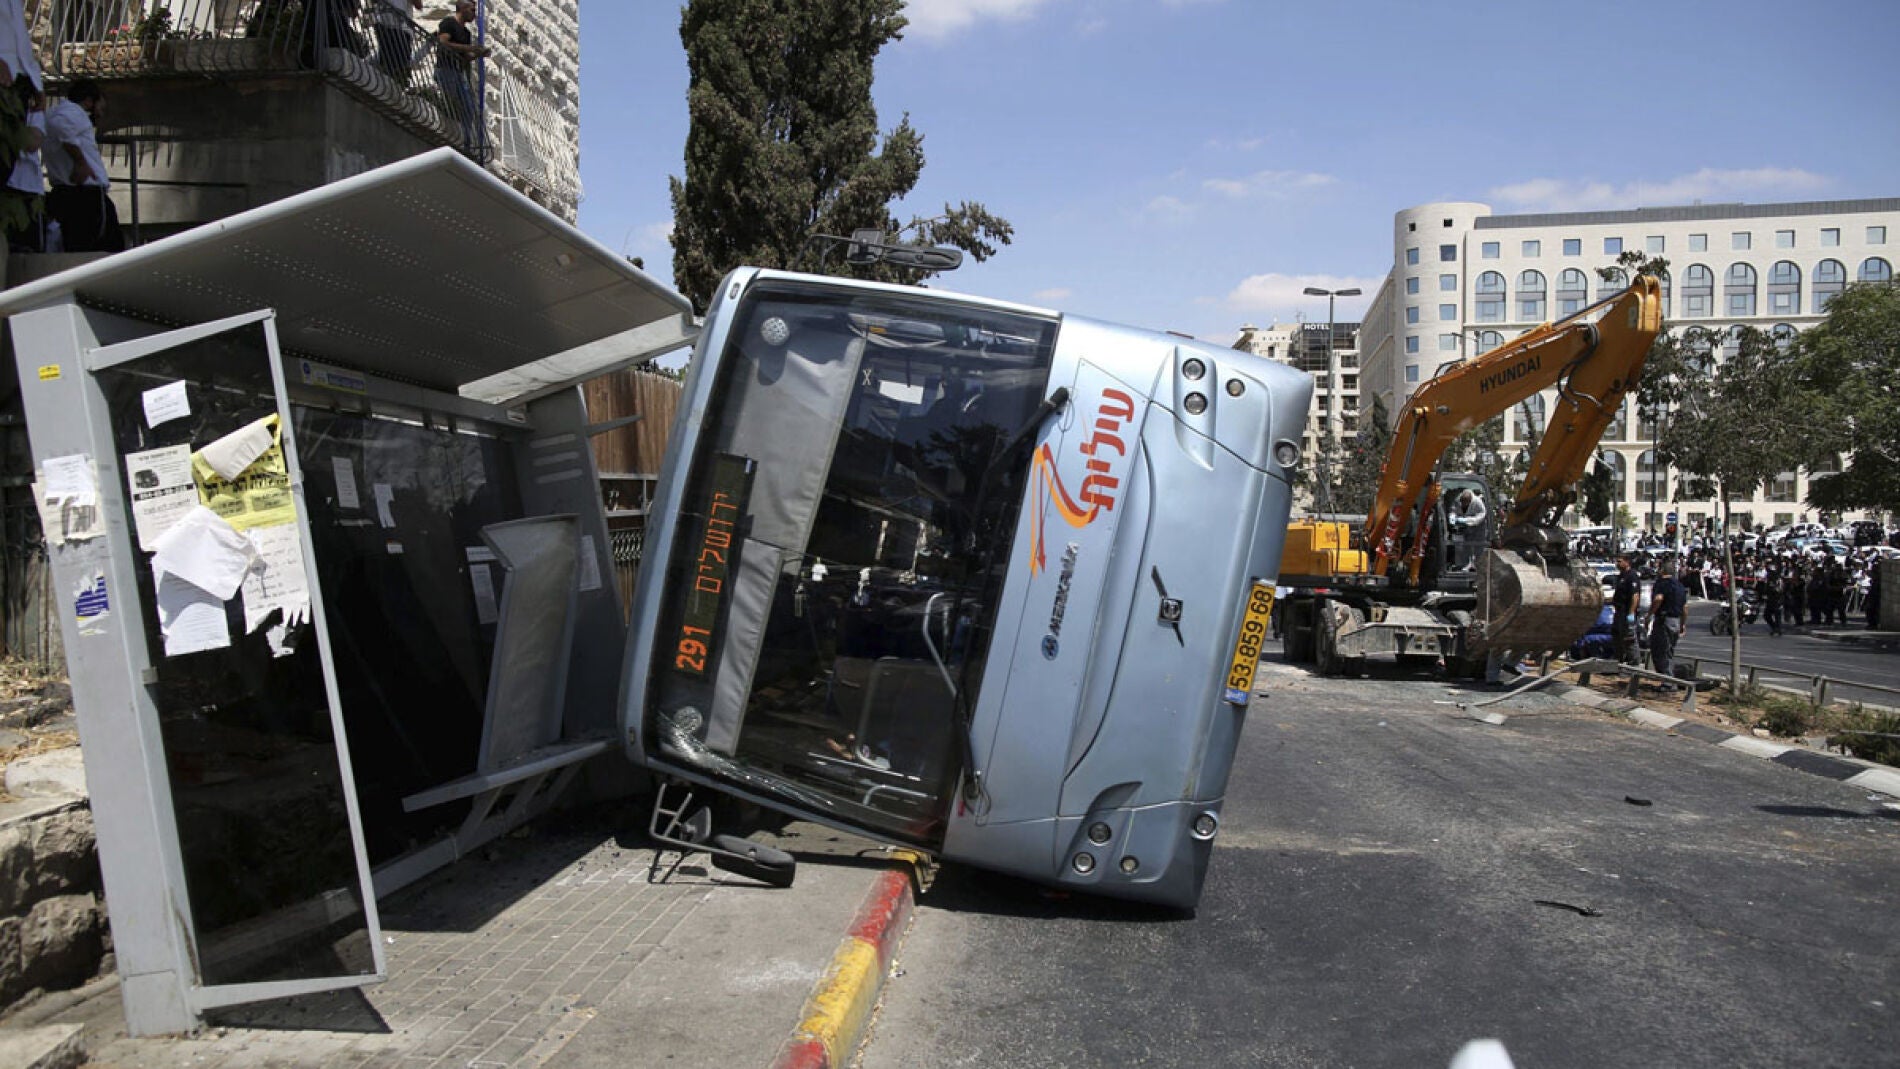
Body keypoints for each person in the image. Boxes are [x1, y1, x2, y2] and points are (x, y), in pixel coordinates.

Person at [44, 79, 122, 253]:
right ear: (88, 101)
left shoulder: (58, 112)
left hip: (71, 193)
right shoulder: (73, 112)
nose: (100, 114)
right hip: (84, 196)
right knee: (97, 250)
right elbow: (60, 126)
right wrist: (80, 162)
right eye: (100, 108)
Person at [435, 0, 490, 150]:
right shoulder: (448, 23)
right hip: (445, 69)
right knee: (451, 102)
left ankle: (465, 142)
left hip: (458, 73)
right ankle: (449, 137)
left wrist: (478, 54)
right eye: (472, 10)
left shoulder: (466, 33)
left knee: (469, 107)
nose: (475, 14)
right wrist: (470, 48)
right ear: (463, 8)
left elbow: (464, 58)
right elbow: (443, 42)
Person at [2, 73, 46, 252]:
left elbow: (32, 143)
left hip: (26, 190)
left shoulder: (32, 112)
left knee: (29, 251)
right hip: (6, 188)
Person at [1649, 564, 1687, 686]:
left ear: (1662, 571)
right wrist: (1682, 624)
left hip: (1664, 621)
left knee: (1660, 651)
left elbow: (1658, 599)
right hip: (1675, 621)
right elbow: (1685, 608)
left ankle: (1668, 683)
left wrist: (1649, 614)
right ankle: (1669, 680)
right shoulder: (1680, 586)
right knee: (1669, 651)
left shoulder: (1662, 583)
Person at [373, 0, 424, 82]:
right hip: (392, 27)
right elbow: (418, 5)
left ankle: (395, 79)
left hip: (391, 26)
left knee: (393, 63)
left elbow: (418, 5)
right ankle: (396, 79)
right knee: (395, 64)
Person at [1610, 553, 1642, 667]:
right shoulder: (1621, 576)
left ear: (1627, 562)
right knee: (1617, 637)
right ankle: (1618, 663)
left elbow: (1635, 596)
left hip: (1627, 613)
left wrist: (1631, 614)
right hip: (1619, 612)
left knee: (1629, 639)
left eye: (1619, 561)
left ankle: (1634, 665)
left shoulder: (1632, 576)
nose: (1617, 564)